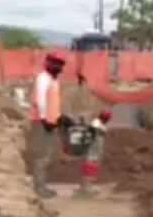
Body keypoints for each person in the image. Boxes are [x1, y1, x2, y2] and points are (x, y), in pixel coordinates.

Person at [30, 51, 73, 199]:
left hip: (49, 121)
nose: (58, 67)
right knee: (41, 156)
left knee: (46, 156)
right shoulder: (43, 79)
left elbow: (52, 103)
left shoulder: (54, 81)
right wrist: (45, 119)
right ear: (48, 63)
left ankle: (42, 186)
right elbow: (41, 101)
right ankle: (39, 188)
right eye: (56, 63)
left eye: (60, 64)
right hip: (41, 122)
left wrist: (60, 116)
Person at [75, 108, 112, 197]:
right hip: (91, 150)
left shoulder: (98, 124)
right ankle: (86, 188)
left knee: (91, 167)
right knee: (89, 167)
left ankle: (85, 187)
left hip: (94, 151)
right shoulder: (96, 123)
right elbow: (92, 129)